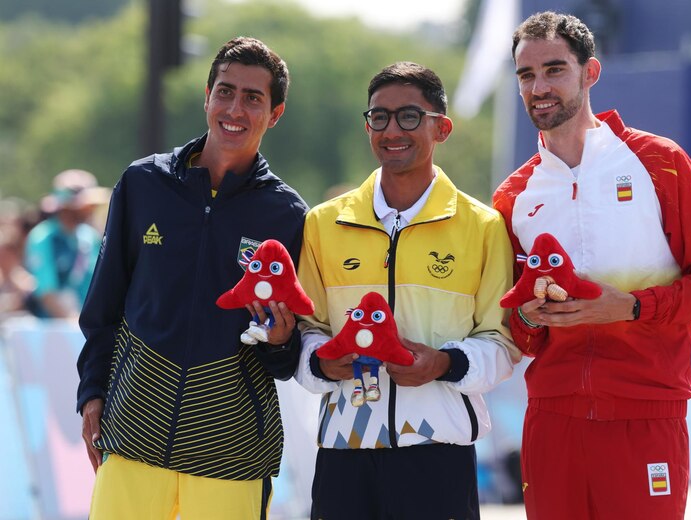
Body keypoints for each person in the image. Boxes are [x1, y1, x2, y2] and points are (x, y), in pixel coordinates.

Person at [492, 12, 691, 520]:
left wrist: (628, 307)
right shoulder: (514, 195)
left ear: (591, 73)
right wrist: (530, 318)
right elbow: (515, 328)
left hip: (645, 413)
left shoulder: (659, 162)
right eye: (525, 74)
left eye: (555, 69)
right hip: (552, 417)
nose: (538, 87)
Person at [76, 37, 308, 520]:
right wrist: (92, 395)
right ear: (207, 96)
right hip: (135, 432)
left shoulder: (288, 214)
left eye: (253, 98)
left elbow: (287, 358)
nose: (235, 108)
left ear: (276, 113)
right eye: (225, 91)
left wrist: (281, 341)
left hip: (232, 450)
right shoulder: (143, 183)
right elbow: (103, 306)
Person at [294, 61, 520, 520]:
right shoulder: (322, 222)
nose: (393, 129)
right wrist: (321, 360)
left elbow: (503, 343)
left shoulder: (483, 226)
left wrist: (444, 364)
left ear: (443, 128)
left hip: (438, 452)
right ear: (368, 126)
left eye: (410, 116)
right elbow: (305, 331)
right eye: (380, 117)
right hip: (343, 450)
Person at [24, 169, 102, 319]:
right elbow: (47, 292)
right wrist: (74, 322)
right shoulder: (43, 237)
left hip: (85, 326)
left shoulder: (90, 237)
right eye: (87, 205)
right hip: (54, 331)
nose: (92, 209)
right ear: (68, 206)